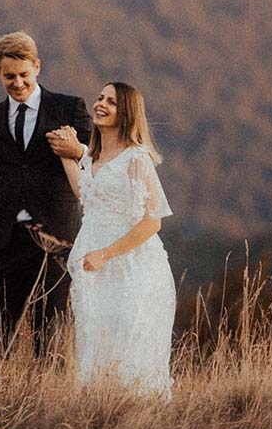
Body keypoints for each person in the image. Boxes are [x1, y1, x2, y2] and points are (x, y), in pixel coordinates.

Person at [0, 32, 92, 359]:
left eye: (24, 75)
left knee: (51, 339)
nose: (17, 83)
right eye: (9, 77)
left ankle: (48, 392)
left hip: (56, 241)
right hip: (6, 241)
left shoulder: (69, 108)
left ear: (37, 67)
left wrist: (77, 150)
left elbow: (100, 161)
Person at [46, 82, 176, 397]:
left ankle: (139, 413)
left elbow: (153, 221)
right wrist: (66, 155)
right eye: (100, 98)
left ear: (126, 113)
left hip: (131, 265)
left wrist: (106, 253)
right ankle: (101, 411)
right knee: (95, 338)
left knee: (128, 338)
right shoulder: (95, 158)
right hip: (95, 266)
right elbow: (85, 193)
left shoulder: (136, 158)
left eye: (112, 102)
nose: (101, 104)